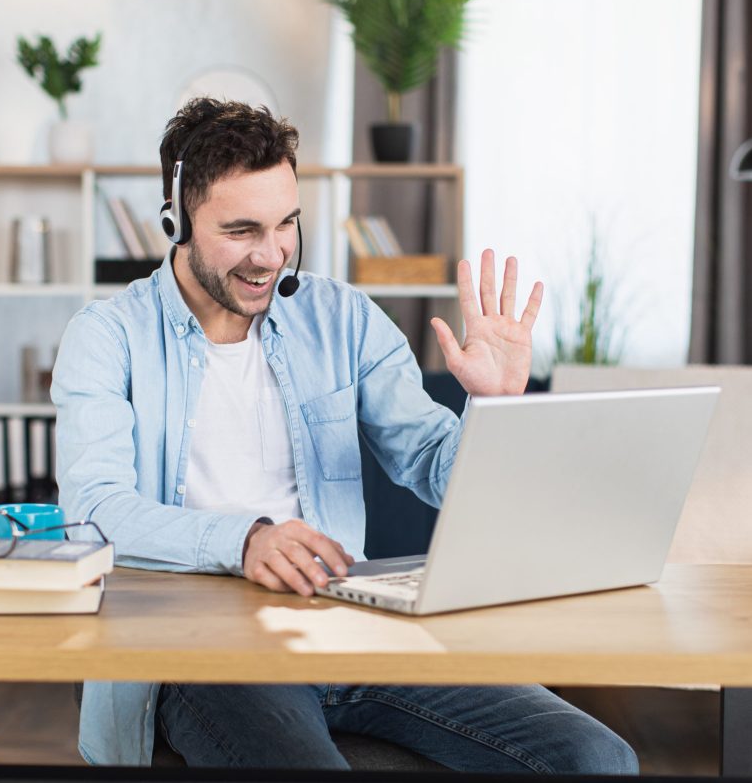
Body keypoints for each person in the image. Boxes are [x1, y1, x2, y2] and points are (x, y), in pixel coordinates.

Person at [52, 97, 638, 773]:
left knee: (595, 757)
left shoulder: (342, 318)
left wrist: (492, 407)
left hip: (352, 628)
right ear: (175, 217)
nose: (270, 255)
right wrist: (245, 541)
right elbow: (93, 512)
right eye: (241, 230)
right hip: (201, 649)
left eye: (286, 225)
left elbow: (432, 465)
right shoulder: (106, 338)